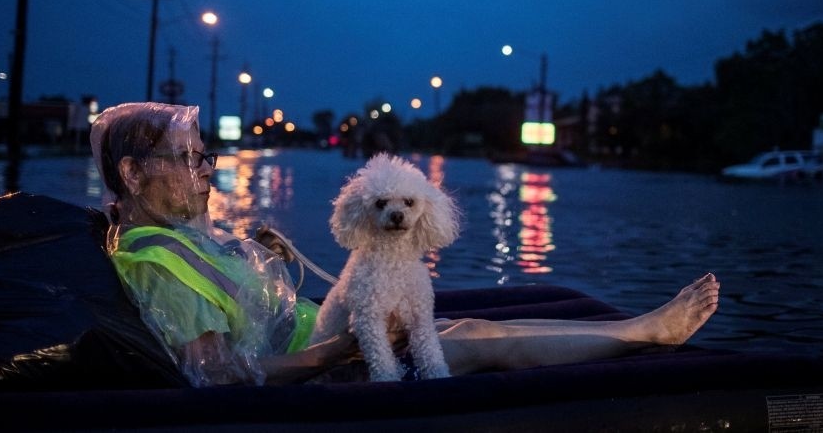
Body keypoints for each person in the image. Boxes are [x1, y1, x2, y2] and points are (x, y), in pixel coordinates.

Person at [91, 102, 720, 387]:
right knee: (466, 339)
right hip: (321, 371)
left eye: (207, 157)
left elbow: (239, 312)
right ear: (133, 174)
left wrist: (261, 255)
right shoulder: (154, 261)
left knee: (466, 320)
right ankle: (646, 334)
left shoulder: (175, 238)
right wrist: (337, 351)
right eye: (191, 158)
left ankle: (637, 330)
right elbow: (220, 377)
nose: (208, 170)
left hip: (317, 337)